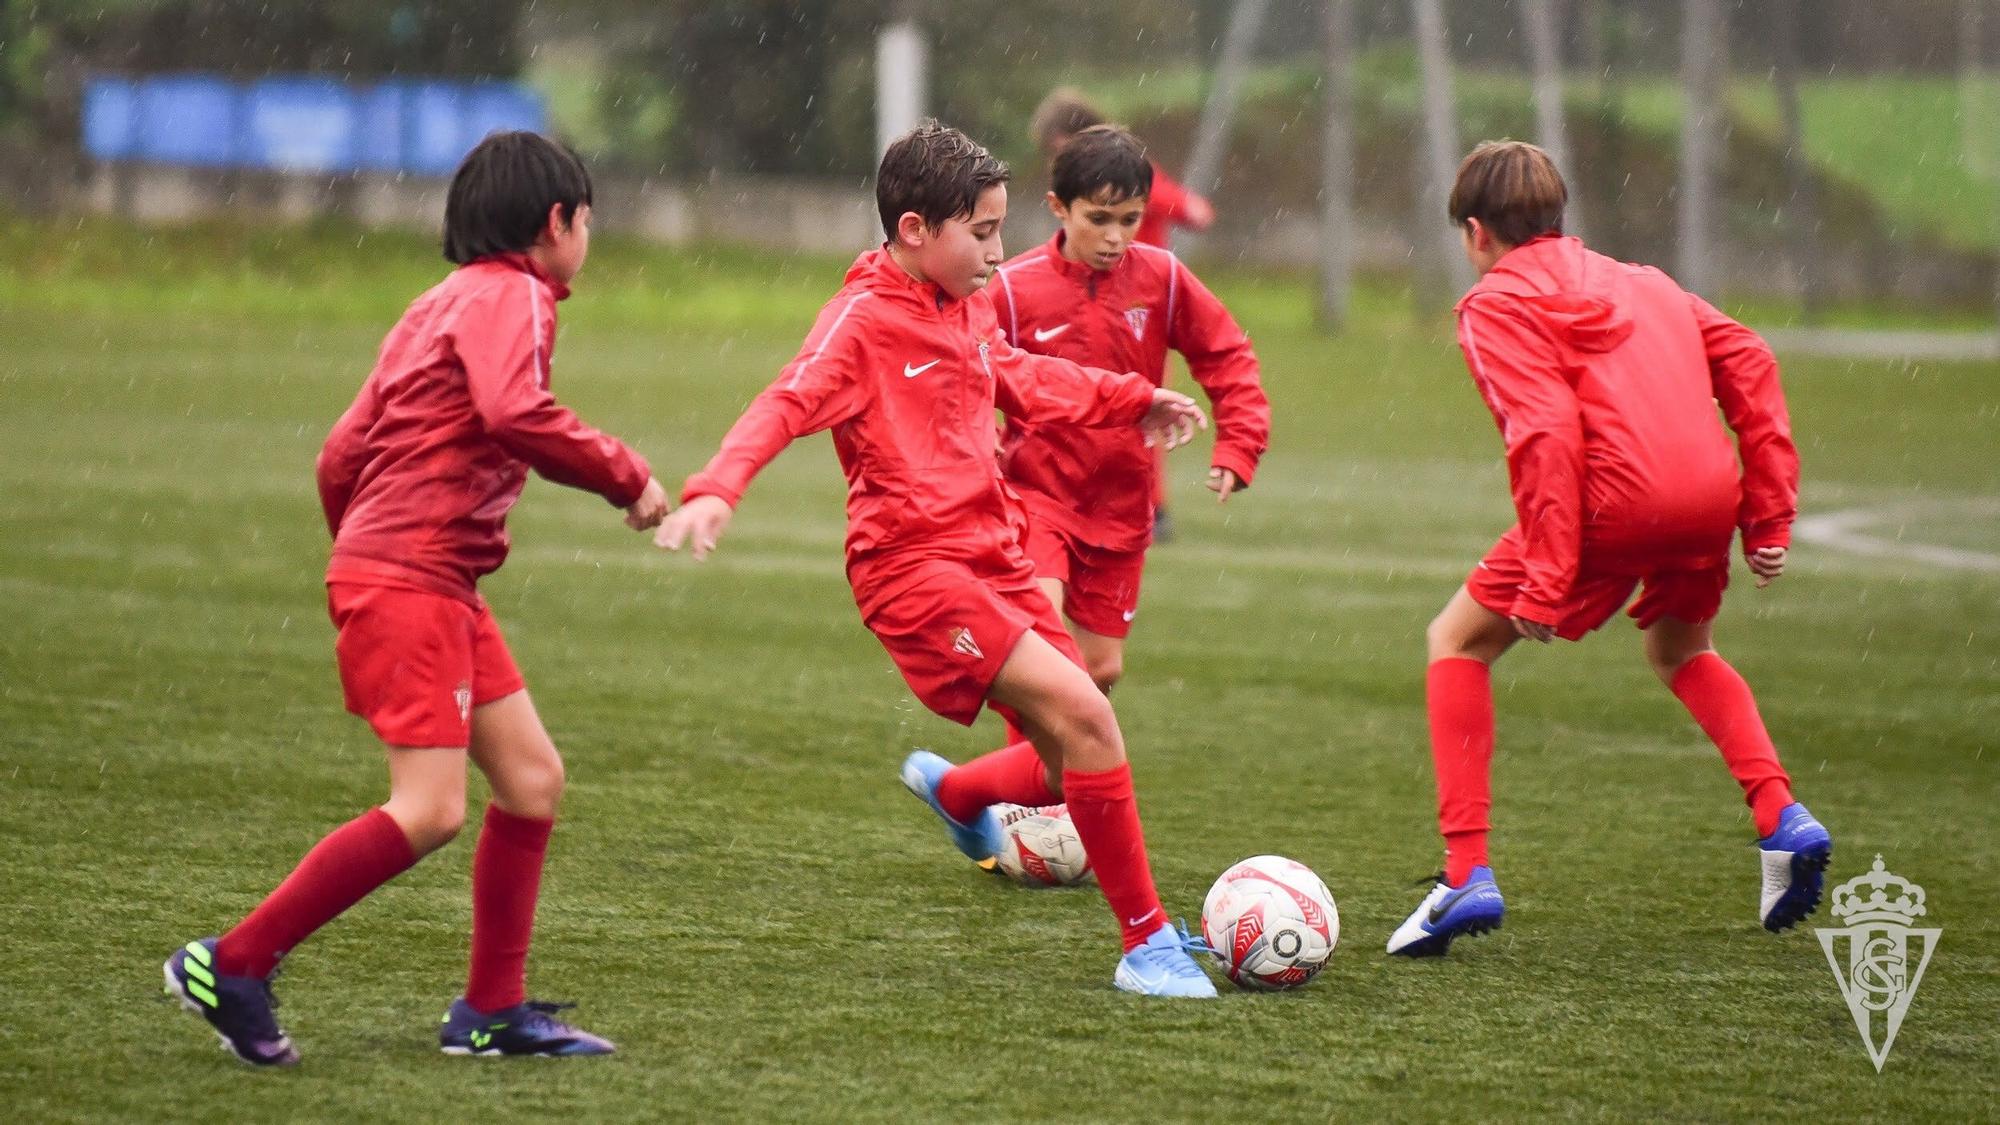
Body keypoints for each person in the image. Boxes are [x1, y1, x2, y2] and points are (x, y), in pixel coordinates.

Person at [654, 122, 1219, 998]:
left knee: (1073, 758)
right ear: (916, 230)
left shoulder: (972, 303)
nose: (1000, 252)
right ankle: (1147, 943)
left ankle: (960, 795)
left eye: (999, 230)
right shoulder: (863, 319)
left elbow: (1022, 378)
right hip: (913, 573)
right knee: (1089, 715)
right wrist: (717, 485)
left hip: (991, 553)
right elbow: (785, 400)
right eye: (983, 234)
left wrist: (1131, 398)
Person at [163, 131, 670, 1063]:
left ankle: (489, 1011)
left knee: (531, 781)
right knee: (431, 807)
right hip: (415, 577)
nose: (587, 238)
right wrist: (626, 476)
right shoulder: (517, 295)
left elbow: (340, 456)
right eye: (587, 220)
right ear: (557, 222)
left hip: (417, 574)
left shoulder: (434, 303)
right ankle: (232, 962)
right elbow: (514, 411)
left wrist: (362, 553)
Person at [1387, 141, 1832, 957]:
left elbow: (1547, 434)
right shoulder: (1644, 280)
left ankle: (1465, 872)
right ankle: (1782, 817)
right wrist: (1765, 515)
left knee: (1454, 641)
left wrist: (1547, 579)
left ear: (1475, 233)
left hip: (1613, 504)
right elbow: (1750, 359)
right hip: (1705, 495)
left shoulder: (1492, 305)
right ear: (1559, 219)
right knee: (1682, 649)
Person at [966, 122, 1265, 752]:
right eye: (1099, 218)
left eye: (1129, 220)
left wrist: (1238, 444)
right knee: (1042, 647)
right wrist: (982, 435)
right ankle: (1025, 805)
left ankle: (1026, 790)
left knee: (1098, 672)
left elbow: (1228, 355)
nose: (1115, 237)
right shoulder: (1014, 289)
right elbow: (971, 371)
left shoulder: (1163, 278)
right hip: (1036, 495)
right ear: (1058, 208)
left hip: (1122, 503)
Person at [1030, 89, 1215, 543]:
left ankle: (1153, 508)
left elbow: (1197, 212)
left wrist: (1137, 210)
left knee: (1144, 409)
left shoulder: (1132, 179)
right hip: (1091, 300)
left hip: (1139, 307)